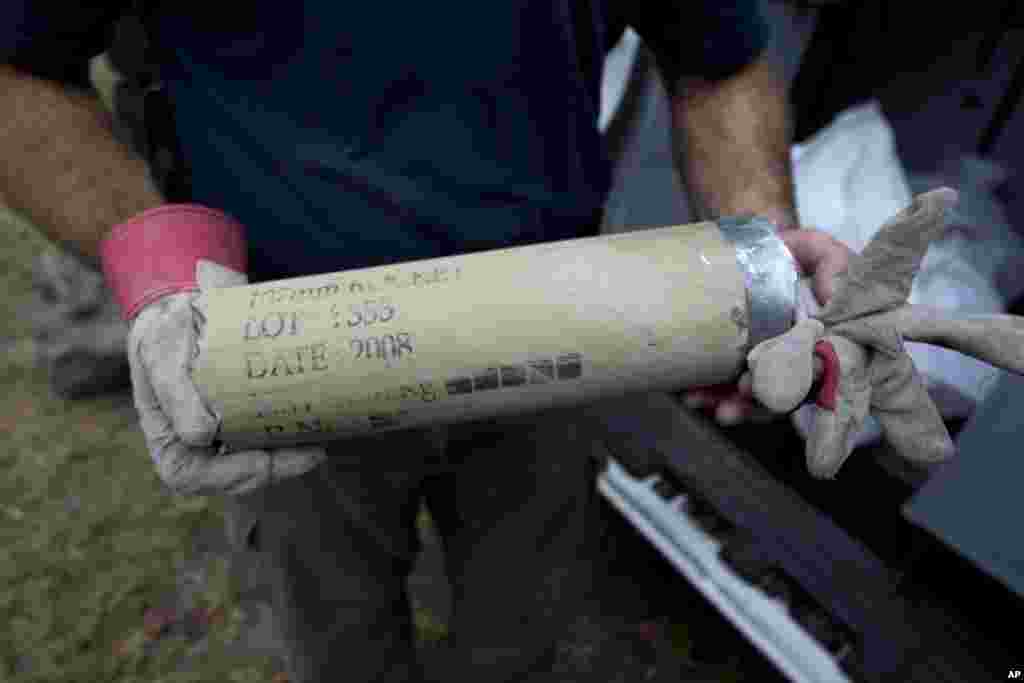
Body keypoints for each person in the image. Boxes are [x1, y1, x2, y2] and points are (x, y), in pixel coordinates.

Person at [0, 1, 851, 681]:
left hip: (556, 352)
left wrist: (762, 267)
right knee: (338, 643)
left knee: (522, 627)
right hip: (289, 367)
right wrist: (169, 278)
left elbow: (722, 61)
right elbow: (18, 77)